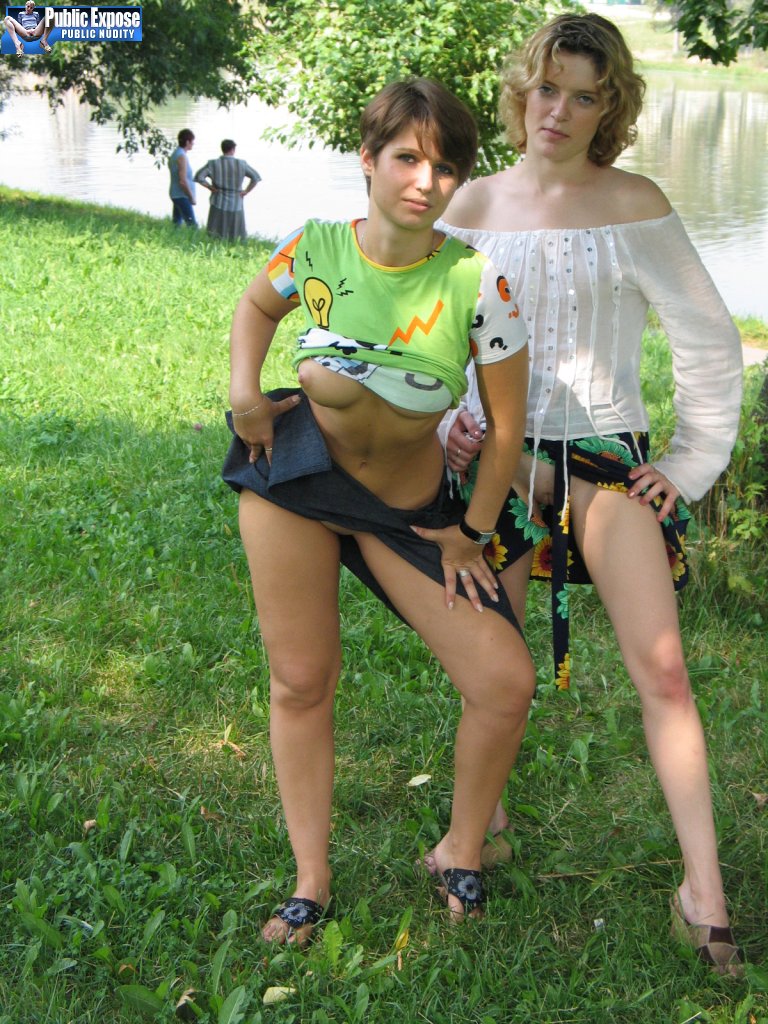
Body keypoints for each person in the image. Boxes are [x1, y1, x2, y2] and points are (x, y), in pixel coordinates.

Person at [437, 13, 744, 975]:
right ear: (521, 90)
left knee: (665, 672)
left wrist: (688, 465)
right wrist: (449, 420)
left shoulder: (635, 204)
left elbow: (709, 341)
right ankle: (474, 837)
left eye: (583, 96)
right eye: (546, 88)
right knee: (496, 675)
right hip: (498, 470)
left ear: (609, 109)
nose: (558, 111)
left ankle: (704, 895)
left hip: (607, 465)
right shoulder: (472, 204)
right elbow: (429, 332)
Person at [222, 78, 534, 943]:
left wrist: (471, 533)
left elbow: (506, 429)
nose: (425, 181)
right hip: (298, 482)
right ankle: (310, 880)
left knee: (504, 683)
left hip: (407, 509)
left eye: (446, 166)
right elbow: (257, 305)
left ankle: (461, 849)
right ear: (368, 158)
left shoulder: (477, 280)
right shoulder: (316, 247)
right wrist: (246, 395)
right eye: (406, 158)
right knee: (301, 680)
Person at [194, 140, 262, 240]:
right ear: (233, 149)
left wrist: (210, 187)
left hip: (218, 199)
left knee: (216, 229)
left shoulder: (213, 164)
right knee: (235, 230)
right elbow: (255, 178)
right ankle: (234, 243)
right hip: (236, 201)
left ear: (222, 149)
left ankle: (215, 242)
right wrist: (246, 191)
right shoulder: (241, 164)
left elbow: (199, 177)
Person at [168, 129, 197, 228]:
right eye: (192, 141)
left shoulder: (175, 154)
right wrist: (191, 197)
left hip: (176, 194)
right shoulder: (181, 156)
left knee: (177, 223)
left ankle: (173, 236)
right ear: (187, 142)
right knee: (192, 225)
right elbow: (183, 181)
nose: (193, 144)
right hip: (181, 195)